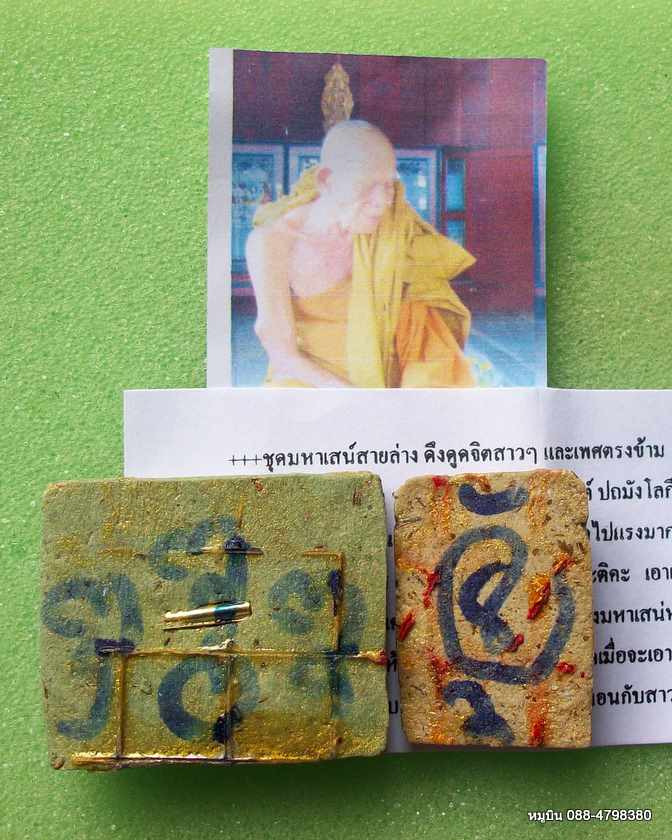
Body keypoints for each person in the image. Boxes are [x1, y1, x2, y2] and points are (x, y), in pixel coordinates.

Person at [245, 119, 476, 388]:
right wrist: (351, 398)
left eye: (389, 185)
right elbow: (284, 355)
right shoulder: (271, 242)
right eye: (367, 184)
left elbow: (421, 331)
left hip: (385, 373)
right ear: (326, 180)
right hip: (309, 377)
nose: (383, 201)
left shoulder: (393, 231)